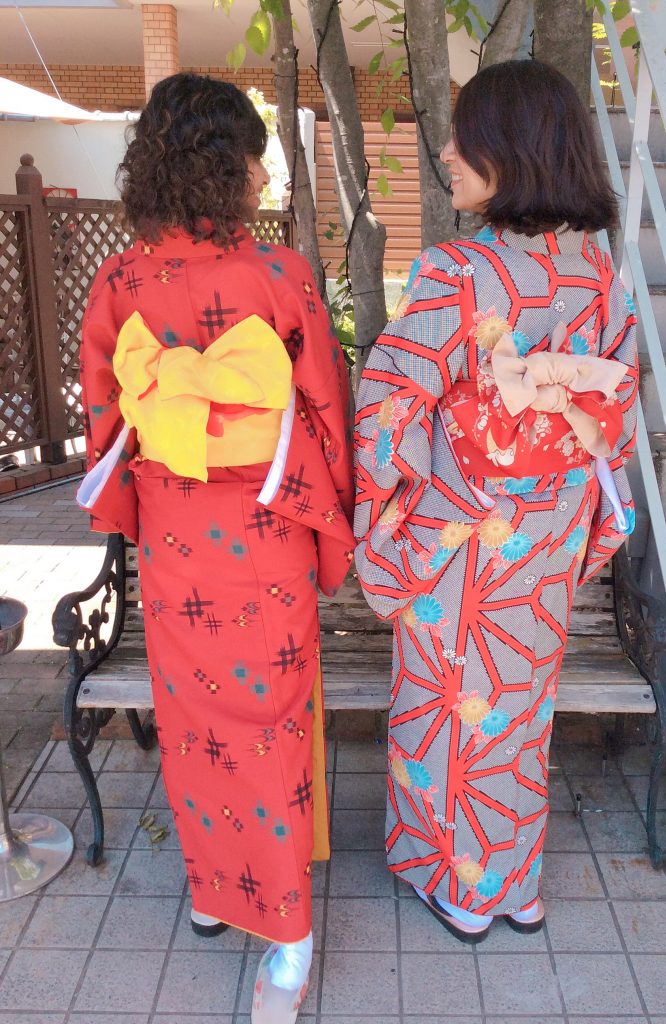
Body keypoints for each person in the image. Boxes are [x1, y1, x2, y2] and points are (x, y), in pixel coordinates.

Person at [78, 73, 354, 1021]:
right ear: (227, 166)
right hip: (266, 531)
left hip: (173, 533)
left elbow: (106, 419)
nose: (261, 174)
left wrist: (138, 494)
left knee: (198, 723)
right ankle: (267, 923)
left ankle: (249, 907)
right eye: (254, 158)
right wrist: (333, 519)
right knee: (264, 724)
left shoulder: (120, 281)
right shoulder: (279, 274)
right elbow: (323, 408)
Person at [354, 59, 638, 943]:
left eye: (462, 136)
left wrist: (386, 513)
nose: (446, 151)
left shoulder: (458, 271)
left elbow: (390, 405)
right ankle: (515, 884)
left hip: (461, 537)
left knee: (450, 710)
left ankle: (466, 890)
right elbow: (611, 418)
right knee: (516, 707)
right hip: (549, 531)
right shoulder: (598, 274)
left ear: (510, 150)